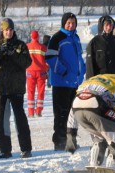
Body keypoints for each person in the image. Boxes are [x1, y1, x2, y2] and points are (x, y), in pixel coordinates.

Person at [0, 18, 33, 159]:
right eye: (6, 30)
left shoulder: (20, 45)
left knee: (20, 119)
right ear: (2, 30)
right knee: (1, 120)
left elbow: (27, 62)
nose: (9, 32)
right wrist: (1, 52)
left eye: (11, 30)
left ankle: (26, 148)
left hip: (16, 88)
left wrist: (14, 54)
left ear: (13, 30)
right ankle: (5, 150)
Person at [45, 12, 85, 151]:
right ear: (63, 23)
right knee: (61, 114)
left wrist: (82, 70)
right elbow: (50, 57)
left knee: (73, 114)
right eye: (68, 22)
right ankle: (60, 141)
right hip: (61, 82)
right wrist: (63, 71)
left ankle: (71, 141)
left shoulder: (76, 38)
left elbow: (79, 57)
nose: (71, 25)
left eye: (73, 23)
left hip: (75, 83)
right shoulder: (57, 38)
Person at [26, 30, 48, 117]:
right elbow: (47, 61)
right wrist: (46, 69)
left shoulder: (27, 47)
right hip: (41, 72)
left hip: (30, 72)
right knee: (40, 92)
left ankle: (31, 112)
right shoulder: (43, 47)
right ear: (38, 37)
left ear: (31, 37)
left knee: (30, 92)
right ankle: (39, 111)